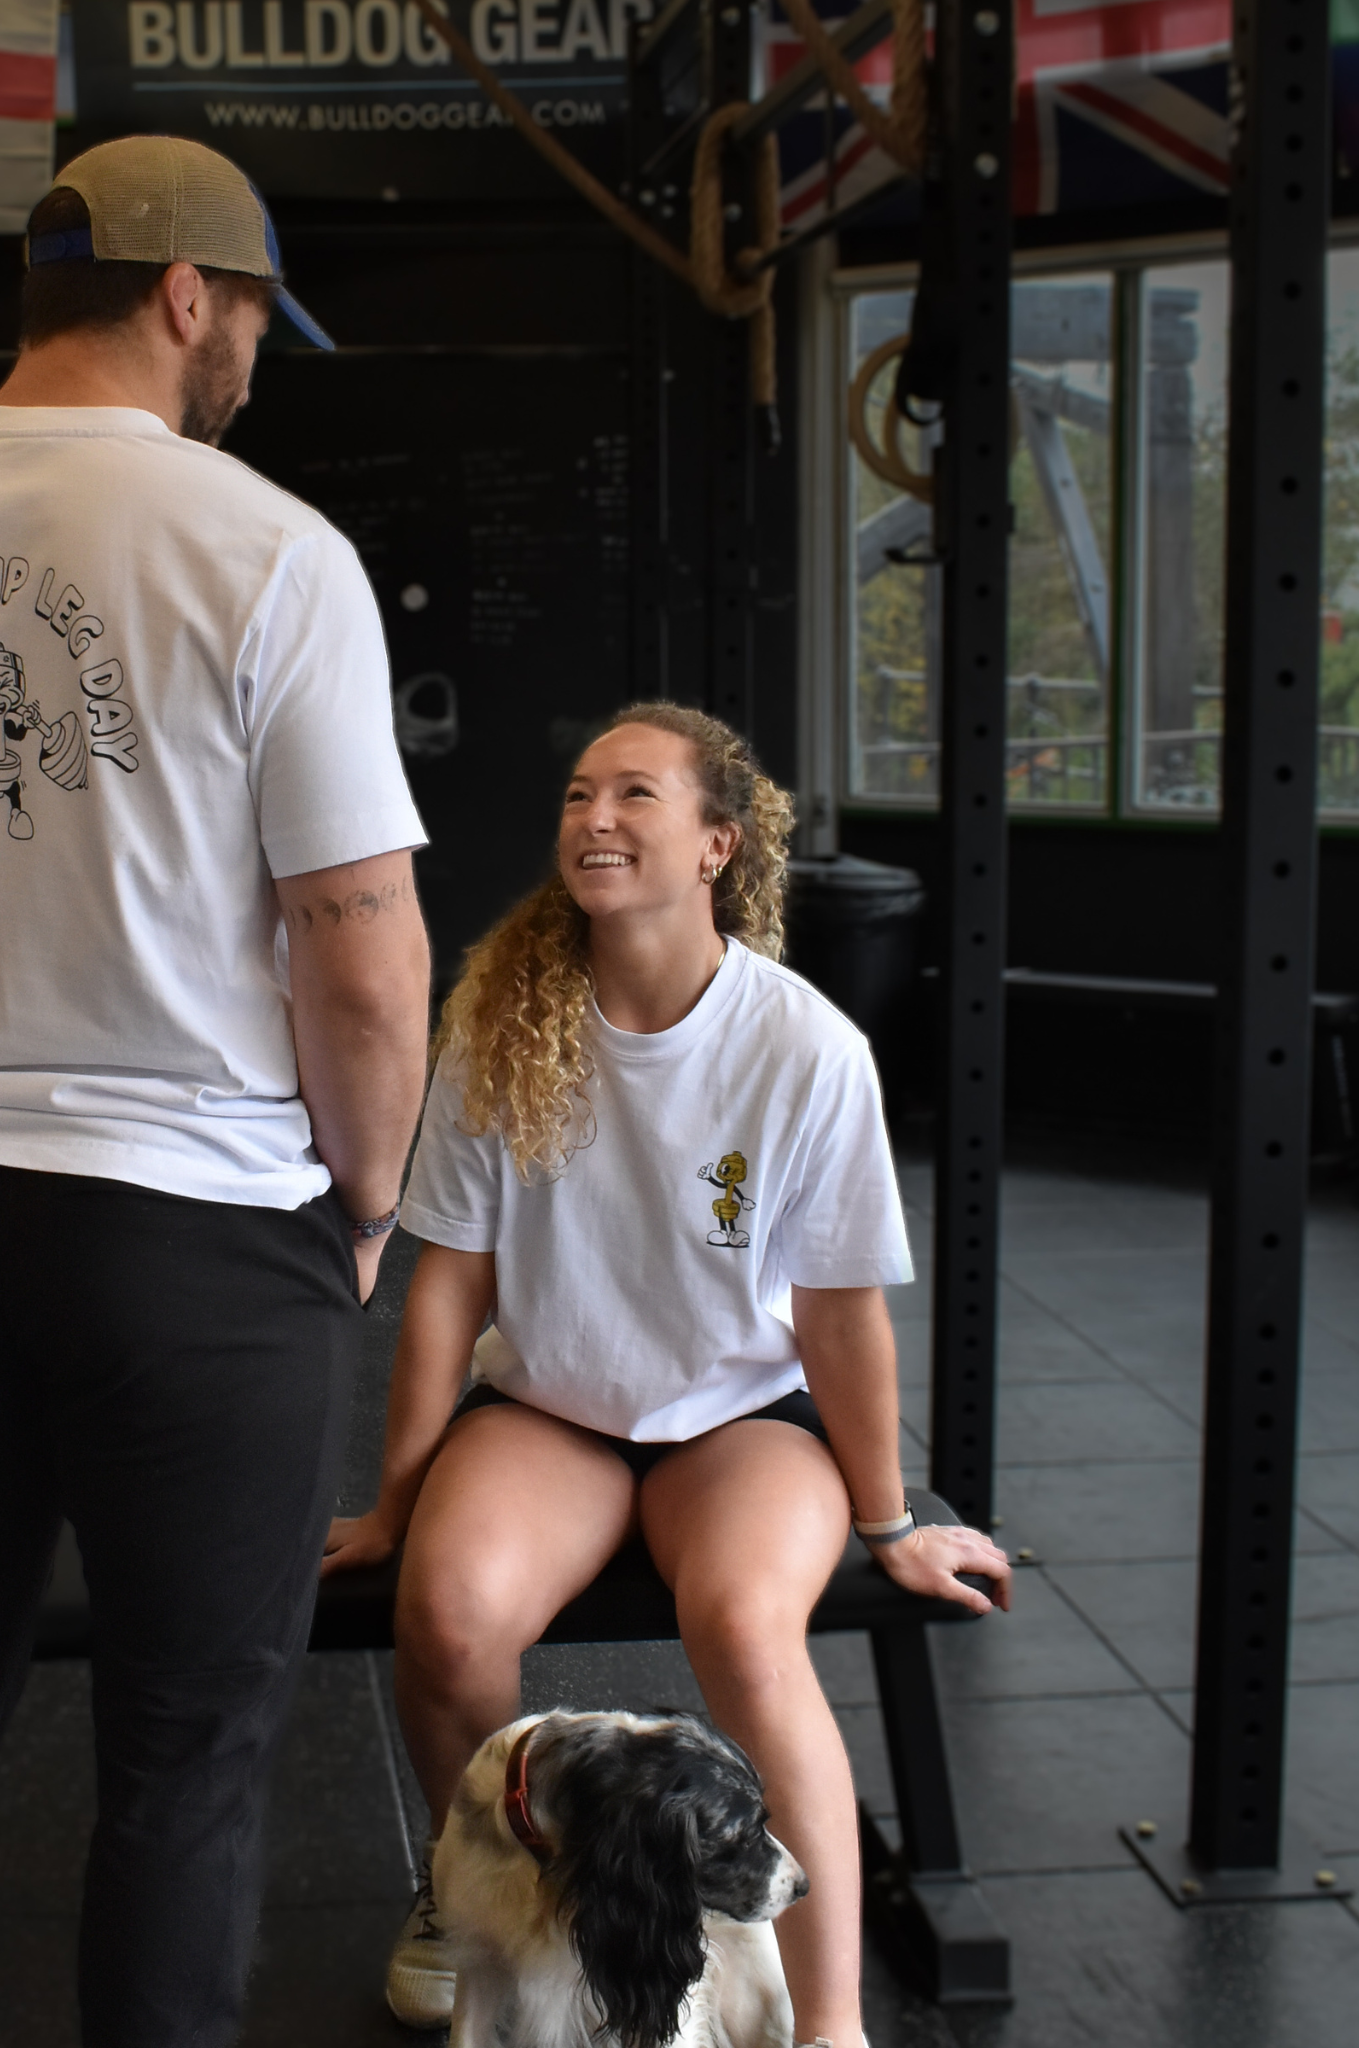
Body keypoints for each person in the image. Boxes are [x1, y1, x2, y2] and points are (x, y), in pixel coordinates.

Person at [0, 135, 432, 2048]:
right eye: (248, 328)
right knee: (187, 1739)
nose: (250, 368)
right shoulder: (265, 548)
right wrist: (361, 1204)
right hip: (200, 1219)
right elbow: (364, 940)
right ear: (186, 296)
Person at [322, 703, 1010, 2046]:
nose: (595, 818)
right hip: (552, 1412)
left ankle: (828, 2020)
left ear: (716, 845)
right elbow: (448, 1288)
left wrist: (889, 1523)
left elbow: (839, 1315)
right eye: (581, 794)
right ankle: (475, 1905)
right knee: (448, 1613)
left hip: (741, 1419)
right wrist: (396, 1509)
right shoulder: (503, 1026)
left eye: (635, 794)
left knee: (750, 1633)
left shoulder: (803, 1046)